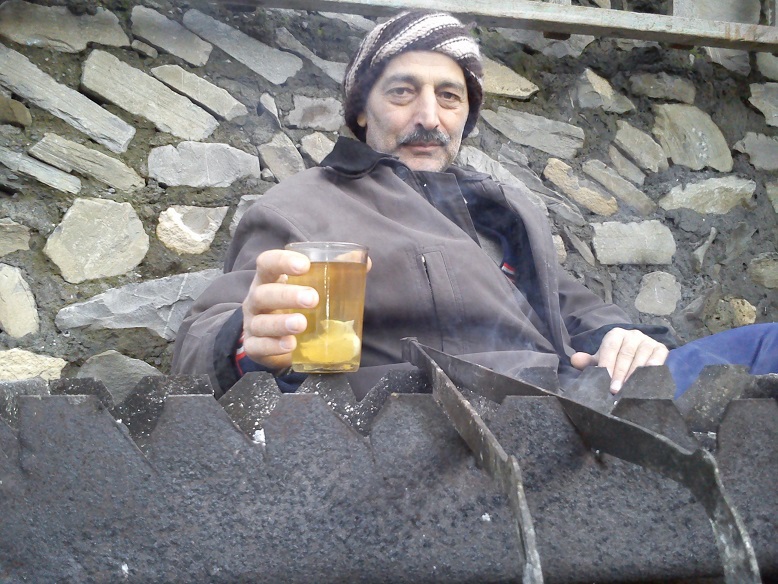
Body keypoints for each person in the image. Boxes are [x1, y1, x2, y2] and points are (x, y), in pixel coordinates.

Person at [172, 10, 778, 400]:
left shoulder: (499, 206)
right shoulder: (305, 206)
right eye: (402, 92)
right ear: (360, 112)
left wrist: (625, 335)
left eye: (449, 97)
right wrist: (244, 339)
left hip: (588, 397)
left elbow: (571, 303)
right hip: (460, 417)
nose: (429, 117)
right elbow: (199, 345)